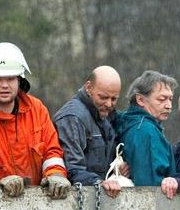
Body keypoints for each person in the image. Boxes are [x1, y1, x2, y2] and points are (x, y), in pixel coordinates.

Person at [0, 42, 71, 199]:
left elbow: (52, 151)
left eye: (10, 79)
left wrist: (56, 175)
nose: (4, 85)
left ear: (19, 81)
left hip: (40, 204)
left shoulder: (37, 109)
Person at [54, 65, 126, 198]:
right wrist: (99, 182)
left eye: (114, 99)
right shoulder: (72, 118)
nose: (109, 104)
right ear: (88, 87)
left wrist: (122, 166)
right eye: (103, 97)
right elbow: (73, 170)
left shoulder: (106, 114)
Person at [117, 70, 177, 188]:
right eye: (162, 99)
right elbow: (149, 187)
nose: (168, 105)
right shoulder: (146, 132)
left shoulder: (133, 124)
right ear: (140, 100)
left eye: (170, 99)